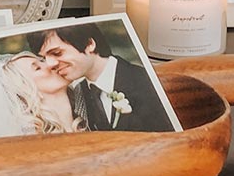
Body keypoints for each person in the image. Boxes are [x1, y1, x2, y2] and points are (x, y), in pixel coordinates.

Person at [29, 24, 177, 132]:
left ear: (89, 44)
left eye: (57, 53)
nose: (50, 64)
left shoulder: (144, 80)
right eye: (44, 57)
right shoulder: (77, 96)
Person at [0, 51, 91, 136]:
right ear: (26, 90)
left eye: (43, 61)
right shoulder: (38, 144)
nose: (51, 63)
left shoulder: (92, 111)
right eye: (37, 68)